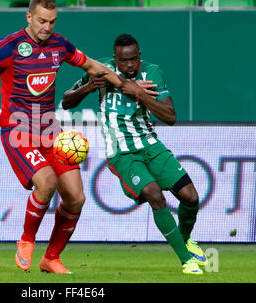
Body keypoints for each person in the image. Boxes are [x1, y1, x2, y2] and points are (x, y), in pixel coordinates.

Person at [0, 0, 146, 274]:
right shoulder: (10, 47)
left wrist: (128, 86)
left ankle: (51, 258)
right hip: (17, 130)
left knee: (76, 197)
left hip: (49, 131)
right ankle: (26, 240)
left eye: (52, 21)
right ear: (29, 17)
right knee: (46, 183)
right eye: (42, 21)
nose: (47, 27)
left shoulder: (60, 45)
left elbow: (93, 66)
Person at [62, 34, 207, 275]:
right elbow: (66, 101)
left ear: (139, 56)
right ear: (115, 58)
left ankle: (186, 241)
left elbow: (170, 117)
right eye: (123, 60)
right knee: (154, 194)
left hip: (150, 145)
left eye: (133, 59)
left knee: (191, 197)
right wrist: (88, 88)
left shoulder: (152, 73)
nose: (129, 65)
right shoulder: (100, 70)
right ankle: (186, 261)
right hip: (121, 152)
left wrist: (139, 93)